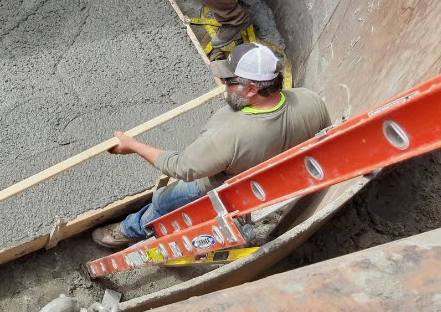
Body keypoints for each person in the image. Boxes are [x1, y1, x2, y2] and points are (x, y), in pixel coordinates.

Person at [92, 43, 331, 248]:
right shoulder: (310, 99)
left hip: (223, 189)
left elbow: (182, 167)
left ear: (251, 89)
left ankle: (129, 230)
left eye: (229, 81)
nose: (224, 85)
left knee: (163, 202)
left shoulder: (228, 133)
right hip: (269, 183)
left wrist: (133, 145)